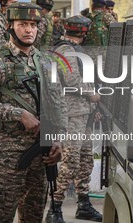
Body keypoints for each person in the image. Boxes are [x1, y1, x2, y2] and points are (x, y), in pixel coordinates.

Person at [0, 2, 66, 223]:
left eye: (33, 25)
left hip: (42, 153)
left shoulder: (45, 61)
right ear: (9, 26)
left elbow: (58, 105)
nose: (29, 30)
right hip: (9, 155)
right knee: (1, 216)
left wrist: (58, 141)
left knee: (34, 216)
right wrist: (19, 114)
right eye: (23, 24)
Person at [45, 15, 102, 223]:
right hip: (71, 114)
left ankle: (83, 204)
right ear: (84, 32)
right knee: (70, 161)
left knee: (86, 160)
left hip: (83, 112)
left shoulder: (74, 50)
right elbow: (71, 79)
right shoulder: (65, 50)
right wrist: (91, 94)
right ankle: (55, 208)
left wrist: (94, 106)